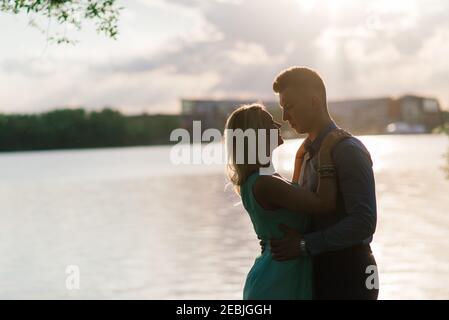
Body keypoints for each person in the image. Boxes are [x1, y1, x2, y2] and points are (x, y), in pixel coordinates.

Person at [265, 66, 378, 300]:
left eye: (290, 108)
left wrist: (305, 244)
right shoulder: (305, 153)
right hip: (320, 270)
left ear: (315, 101)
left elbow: (364, 222)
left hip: (351, 272)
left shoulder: (348, 151)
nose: (285, 117)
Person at [225, 103, 350, 299]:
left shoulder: (258, 179)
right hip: (278, 280)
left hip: (279, 272)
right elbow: (323, 203)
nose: (278, 124)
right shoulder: (266, 183)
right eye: (269, 123)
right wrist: (325, 155)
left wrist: (301, 155)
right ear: (258, 134)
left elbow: (293, 192)